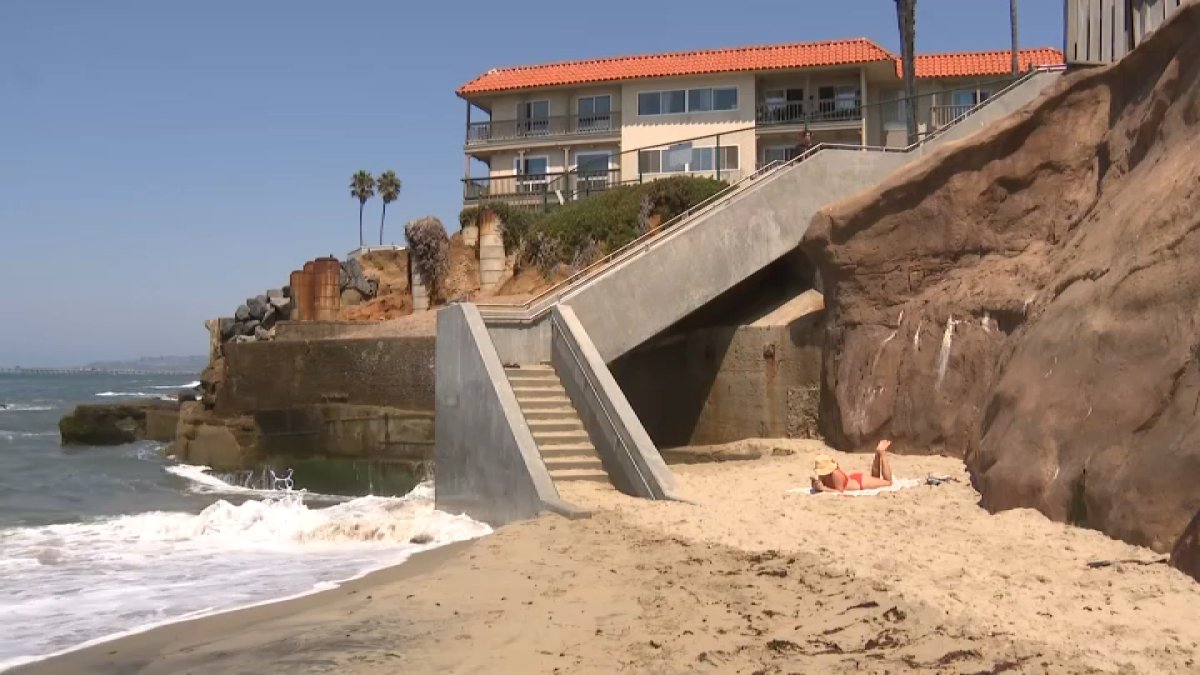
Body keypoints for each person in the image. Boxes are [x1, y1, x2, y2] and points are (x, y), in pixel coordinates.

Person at [811, 440, 893, 493]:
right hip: (853, 480)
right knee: (876, 479)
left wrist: (823, 489)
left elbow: (839, 492)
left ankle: (882, 453)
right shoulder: (824, 475)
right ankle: (877, 454)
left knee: (888, 483)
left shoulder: (835, 474)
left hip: (860, 483)